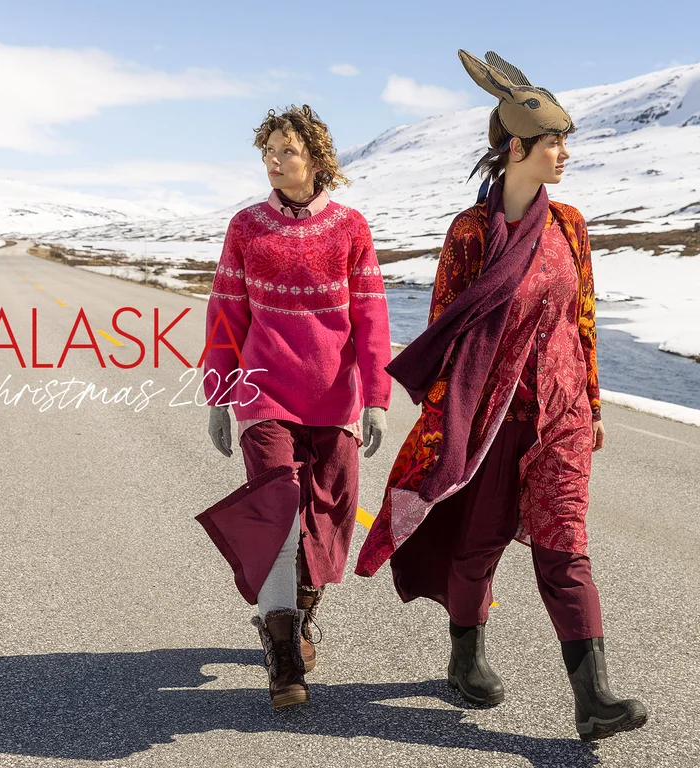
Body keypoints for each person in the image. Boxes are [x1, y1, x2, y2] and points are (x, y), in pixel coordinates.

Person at [355, 51, 648, 742]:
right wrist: (444, 424)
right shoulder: (471, 233)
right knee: (479, 544)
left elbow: (584, 323)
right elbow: (446, 329)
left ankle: (594, 698)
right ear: (516, 147)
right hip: (492, 417)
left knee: (564, 546)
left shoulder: (569, 224)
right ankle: (465, 657)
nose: (564, 154)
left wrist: (594, 406)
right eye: (553, 142)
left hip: (563, 415)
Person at [196, 105, 392, 709]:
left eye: (286, 151)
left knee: (329, 517)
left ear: (315, 157)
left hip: (334, 398)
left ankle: (301, 613)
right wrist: (219, 394)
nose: (275, 162)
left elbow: (370, 317)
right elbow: (226, 311)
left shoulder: (350, 227)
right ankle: (283, 659)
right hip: (264, 394)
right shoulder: (247, 226)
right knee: (278, 510)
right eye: (268, 152)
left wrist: (377, 398)